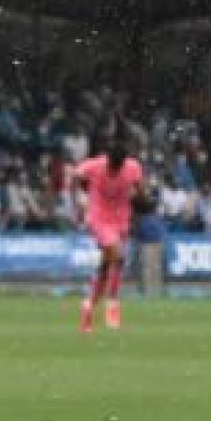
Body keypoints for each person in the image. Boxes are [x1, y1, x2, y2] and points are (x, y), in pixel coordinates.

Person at [73, 133, 144, 332]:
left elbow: (140, 189)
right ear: (107, 159)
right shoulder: (95, 166)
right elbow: (76, 174)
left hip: (121, 219)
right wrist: (82, 194)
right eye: (112, 164)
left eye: (117, 166)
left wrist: (140, 199)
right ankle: (112, 305)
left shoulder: (132, 168)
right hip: (99, 218)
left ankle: (87, 308)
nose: (114, 169)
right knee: (119, 256)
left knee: (105, 268)